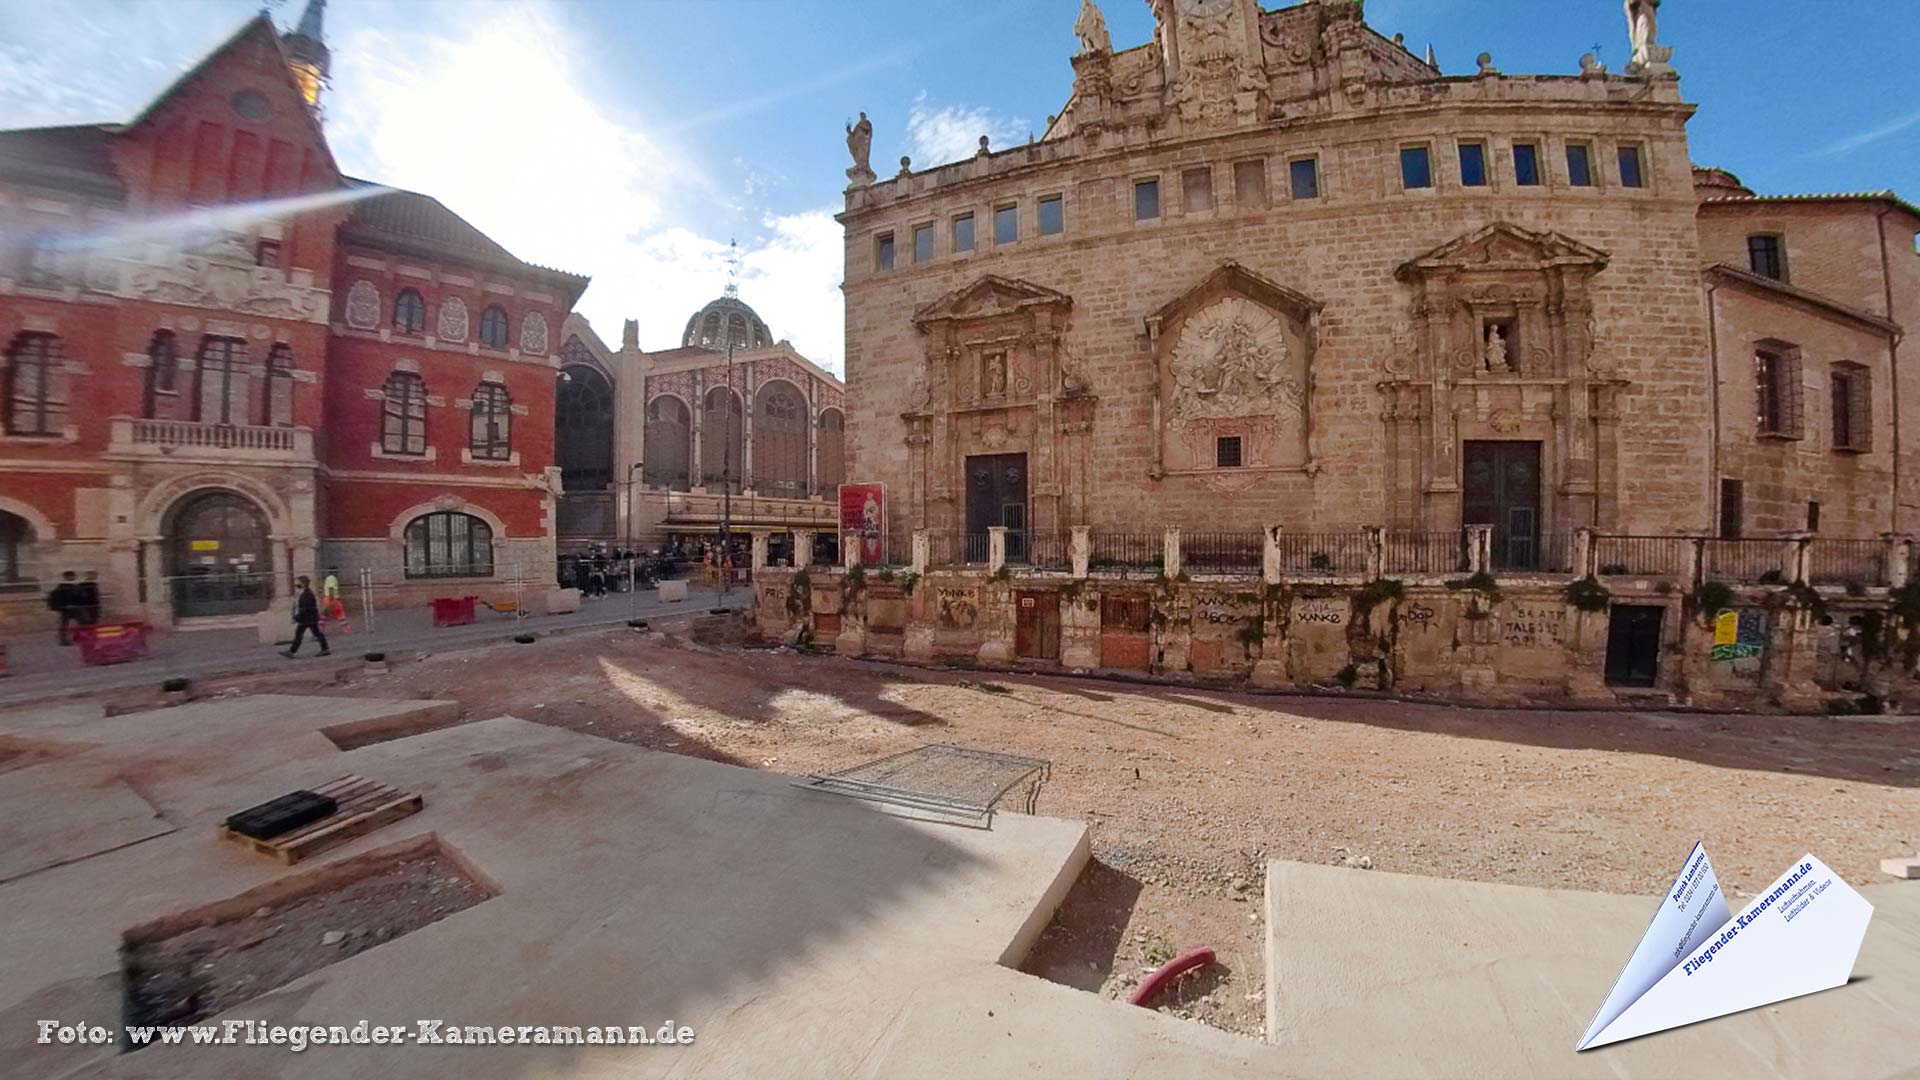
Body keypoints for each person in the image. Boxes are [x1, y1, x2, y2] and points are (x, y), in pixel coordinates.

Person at [281, 576, 330, 658]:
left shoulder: (307, 594)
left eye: (298, 583)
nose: (296, 585)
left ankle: (292, 651)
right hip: (309, 618)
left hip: (307, 619)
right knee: (315, 633)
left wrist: (297, 617)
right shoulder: (305, 593)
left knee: (301, 634)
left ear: (302, 583)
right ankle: (325, 649)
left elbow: (305, 608)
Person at [47, 571, 81, 645]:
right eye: (70, 576)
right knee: (64, 624)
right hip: (66, 609)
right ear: (66, 577)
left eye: (72, 576)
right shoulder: (62, 586)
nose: (72, 577)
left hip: (74, 608)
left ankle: (75, 637)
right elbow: (58, 597)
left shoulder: (74, 586)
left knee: (77, 623)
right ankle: (64, 640)